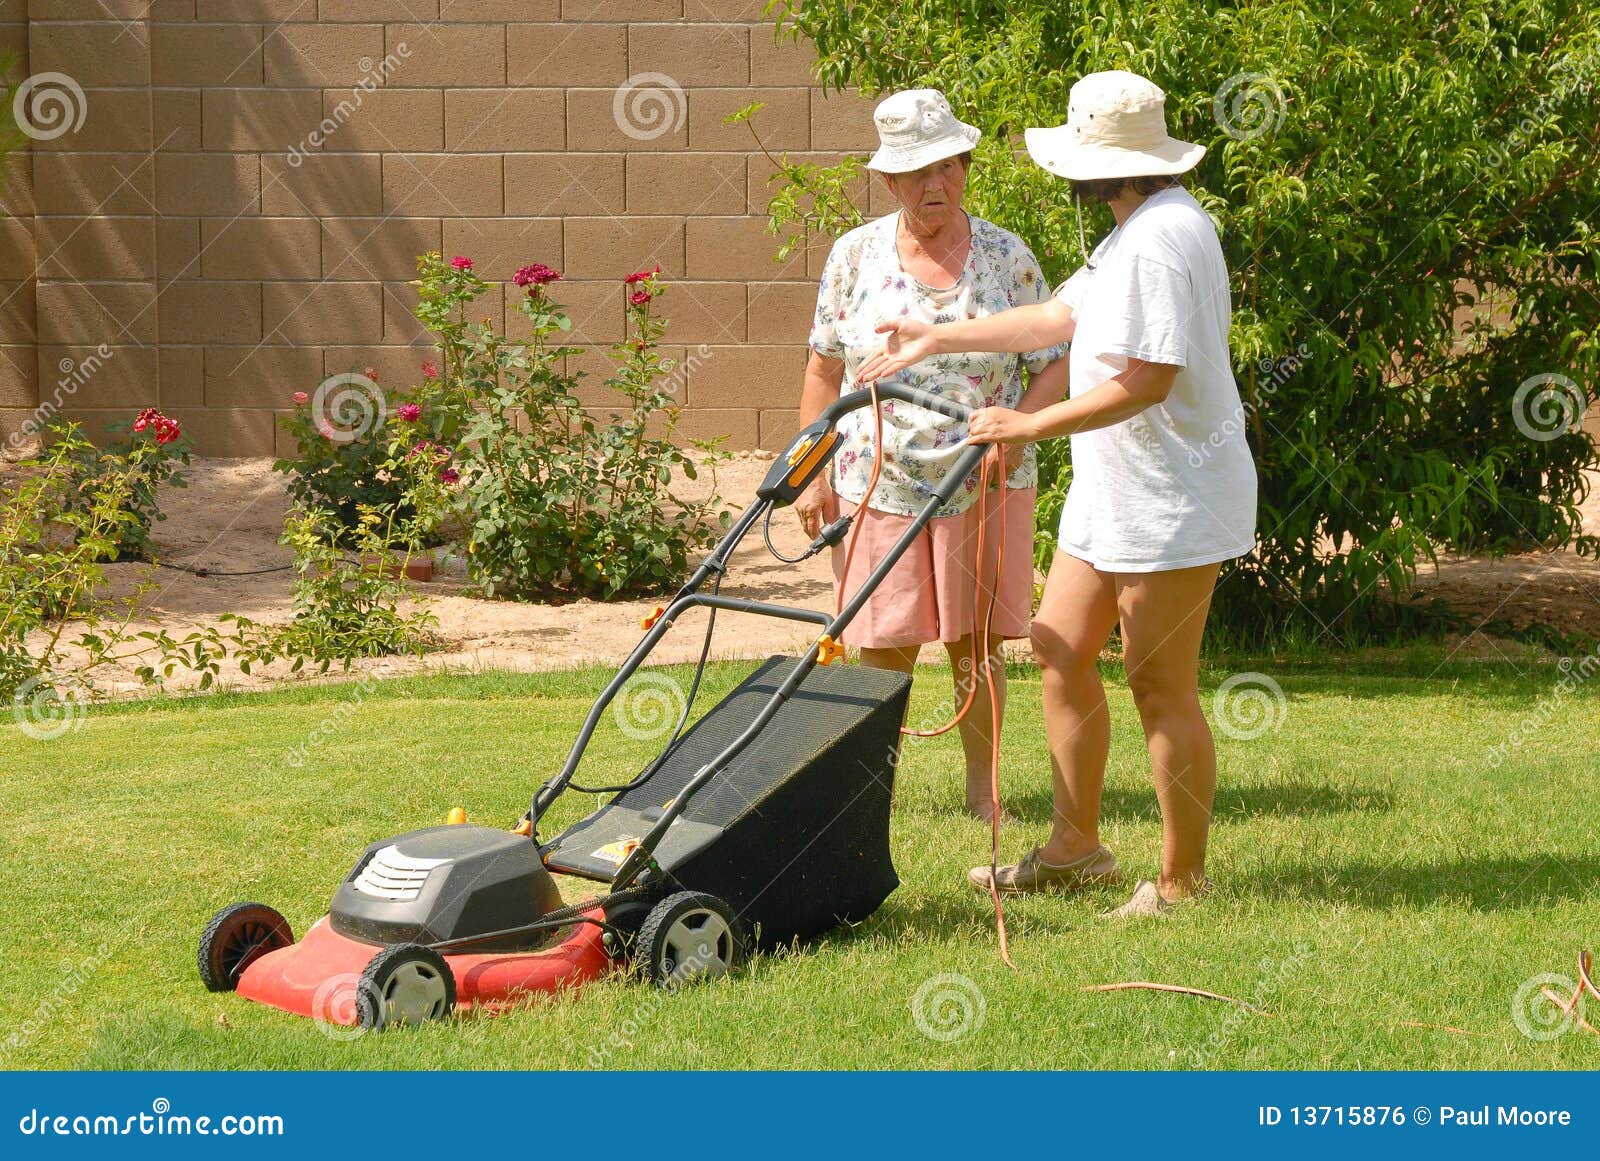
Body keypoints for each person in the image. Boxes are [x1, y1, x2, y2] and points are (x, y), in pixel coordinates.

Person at [855, 71, 1258, 917]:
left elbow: (1149, 381)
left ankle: (1183, 882)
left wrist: (1030, 427)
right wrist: (937, 332)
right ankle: (1077, 848)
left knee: (1160, 684)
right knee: (1059, 646)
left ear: (1105, 165)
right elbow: (1054, 321)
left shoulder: (1163, 239)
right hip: (1116, 492)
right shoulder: (1130, 231)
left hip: (1174, 497)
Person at [795, 88, 1070, 823]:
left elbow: (1057, 362)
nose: (934, 185)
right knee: (881, 642)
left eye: (948, 166)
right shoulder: (854, 254)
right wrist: (811, 470)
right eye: (916, 172)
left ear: (966, 167)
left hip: (983, 477)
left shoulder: (1007, 256)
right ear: (889, 181)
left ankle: (985, 796)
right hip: (875, 480)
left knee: (974, 643)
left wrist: (1018, 429)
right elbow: (824, 370)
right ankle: (864, 796)